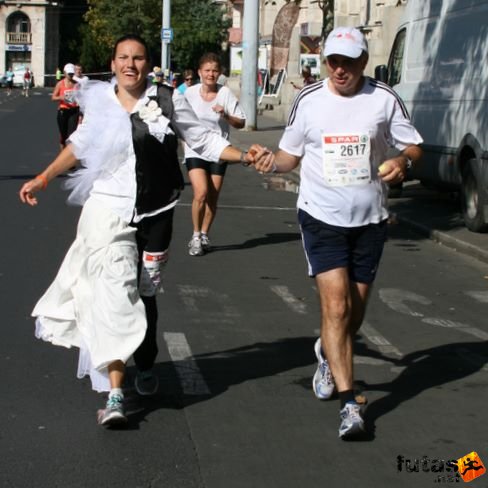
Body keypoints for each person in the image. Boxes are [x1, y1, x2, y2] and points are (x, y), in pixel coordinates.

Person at [19, 34, 260, 428]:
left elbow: (201, 139)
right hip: (108, 210)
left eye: (138, 58)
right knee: (113, 293)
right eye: (123, 58)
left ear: (148, 64)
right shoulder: (98, 101)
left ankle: (145, 361)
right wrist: (44, 177)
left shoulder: (168, 99)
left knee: (146, 293)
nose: (130, 64)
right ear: (112, 64)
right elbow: (78, 146)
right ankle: (116, 392)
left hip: (157, 211)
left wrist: (244, 156)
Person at [253, 27, 423, 439]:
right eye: (333, 61)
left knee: (354, 312)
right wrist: (265, 161)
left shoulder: (383, 98)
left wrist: (403, 163)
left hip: (369, 219)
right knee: (336, 308)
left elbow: (414, 146)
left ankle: (327, 354)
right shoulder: (308, 101)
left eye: (348, 61)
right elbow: (288, 158)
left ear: (363, 61)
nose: (340, 69)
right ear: (325, 61)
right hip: (321, 217)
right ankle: (350, 405)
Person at [184, 52, 246, 256]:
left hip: (219, 149)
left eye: (214, 71)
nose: (211, 74)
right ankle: (194, 236)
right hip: (196, 149)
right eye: (207, 70)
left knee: (212, 196)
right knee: (200, 193)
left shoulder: (225, 93)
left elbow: (241, 122)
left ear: (219, 73)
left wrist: (225, 115)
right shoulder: (189, 93)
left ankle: (204, 234)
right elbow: (178, 118)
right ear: (199, 72)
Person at [51, 63, 80, 151]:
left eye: (72, 74)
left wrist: (79, 100)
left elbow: (81, 96)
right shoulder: (60, 84)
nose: (71, 76)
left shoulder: (77, 83)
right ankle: (62, 154)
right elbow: (53, 97)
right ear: (64, 73)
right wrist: (61, 97)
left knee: (71, 136)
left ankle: (68, 159)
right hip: (63, 111)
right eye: (69, 74)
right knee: (63, 136)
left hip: (74, 111)